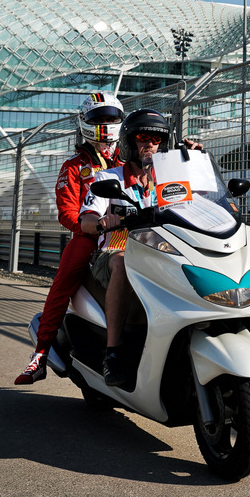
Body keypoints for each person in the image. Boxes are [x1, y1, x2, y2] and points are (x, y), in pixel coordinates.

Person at [14, 92, 125, 385]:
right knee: (62, 285)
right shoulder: (74, 166)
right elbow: (67, 213)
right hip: (90, 236)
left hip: (135, 232)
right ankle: (39, 355)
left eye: (110, 118)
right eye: (99, 119)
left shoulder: (133, 160)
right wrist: (93, 227)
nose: (105, 124)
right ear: (86, 124)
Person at [78, 108, 174, 387]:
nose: (151, 144)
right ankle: (113, 354)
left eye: (157, 139)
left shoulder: (171, 180)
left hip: (161, 252)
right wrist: (101, 222)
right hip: (113, 253)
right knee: (122, 261)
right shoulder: (108, 178)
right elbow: (86, 220)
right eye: (144, 137)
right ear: (129, 143)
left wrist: (194, 159)